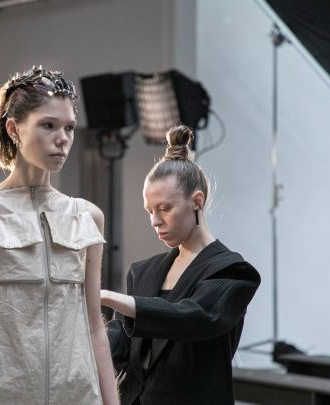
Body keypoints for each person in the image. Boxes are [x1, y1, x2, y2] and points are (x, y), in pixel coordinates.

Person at [0, 66, 119, 405]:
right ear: (14, 128)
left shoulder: (87, 217)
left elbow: (95, 325)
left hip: (76, 396)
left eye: (69, 127)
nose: (62, 138)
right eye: (48, 125)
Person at [101, 125, 261, 405]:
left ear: (196, 202)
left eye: (165, 208)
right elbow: (118, 348)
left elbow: (191, 318)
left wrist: (107, 297)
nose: (154, 221)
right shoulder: (142, 272)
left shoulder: (233, 272)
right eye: (150, 211)